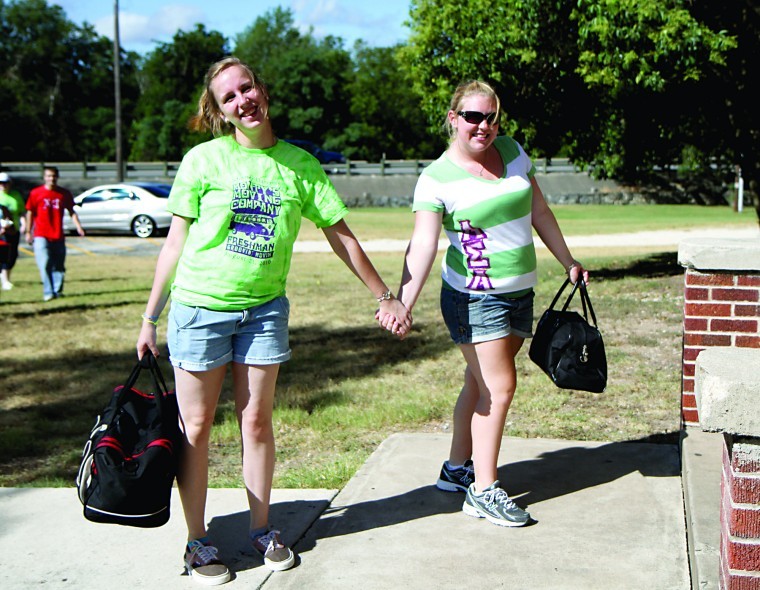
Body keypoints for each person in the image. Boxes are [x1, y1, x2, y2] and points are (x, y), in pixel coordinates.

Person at [136, 56, 411, 586]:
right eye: (229, 98)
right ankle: (197, 541)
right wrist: (150, 317)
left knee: (256, 422)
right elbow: (175, 242)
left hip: (264, 310)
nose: (243, 101)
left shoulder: (300, 165)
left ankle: (262, 529)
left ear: (263, 90)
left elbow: (340, 234)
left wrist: (385, 295)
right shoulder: (202, 161)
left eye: (247, 88)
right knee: (194, 429)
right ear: (220, 113)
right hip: (199, 309)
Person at [393, 80, 589, 527]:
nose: (483, 126)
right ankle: (482, 489)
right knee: (498, 389)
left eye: (491, 117)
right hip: (473, 298)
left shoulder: (513, 151)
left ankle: (456, 469)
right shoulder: (436, 178)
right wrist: (403, 301)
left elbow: (539, 212)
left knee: (478, 385)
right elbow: (422, 244)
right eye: (473, 117)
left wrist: (568, 260)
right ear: (453, 118)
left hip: (519, 293)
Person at [25, 166, 85, 301]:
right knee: (44, 262)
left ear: (57, 177)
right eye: (48, 176)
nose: (51, 179)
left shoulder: (64, 194)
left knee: (59, 265)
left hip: (58, 234)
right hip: (41, 234)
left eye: (54, 176)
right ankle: (48, 292)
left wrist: (79, 227)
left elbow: (71, 211)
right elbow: (30, 212)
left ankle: (57, 291)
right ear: (44, 177)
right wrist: (29, 231)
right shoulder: (36, 193)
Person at [0, 172, 26, 290]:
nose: (3, 186)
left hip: (13, 229)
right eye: (1, 183)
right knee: (4, 255)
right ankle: (5, 280)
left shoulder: (16, 195)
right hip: (2, 231)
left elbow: (21, 211)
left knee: (13, 255)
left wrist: (24, 224)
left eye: (5, 183)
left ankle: (6, 278)